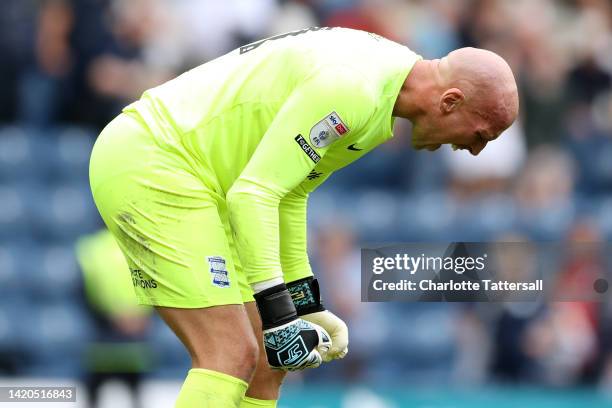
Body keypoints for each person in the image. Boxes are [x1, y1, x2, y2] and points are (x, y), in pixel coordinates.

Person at [89, 26, 518, 407]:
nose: (475, 152)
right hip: (155, 162)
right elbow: (254, 195)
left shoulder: (382, 94)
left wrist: (304, 303)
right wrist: (279, 315)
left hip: (197, 179)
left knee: (266, 369)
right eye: (481, 136)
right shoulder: (358, 90)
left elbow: (290, 193)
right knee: (230, 355)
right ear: (450, 101)